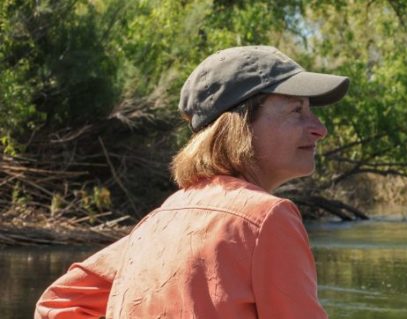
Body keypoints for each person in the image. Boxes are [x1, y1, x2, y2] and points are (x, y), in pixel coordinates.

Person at [34, 45, 349, 318]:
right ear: (238, 126)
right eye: (297, 110)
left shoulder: (157, 222)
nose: (319, 128)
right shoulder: (267, 217)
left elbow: (60, 302)